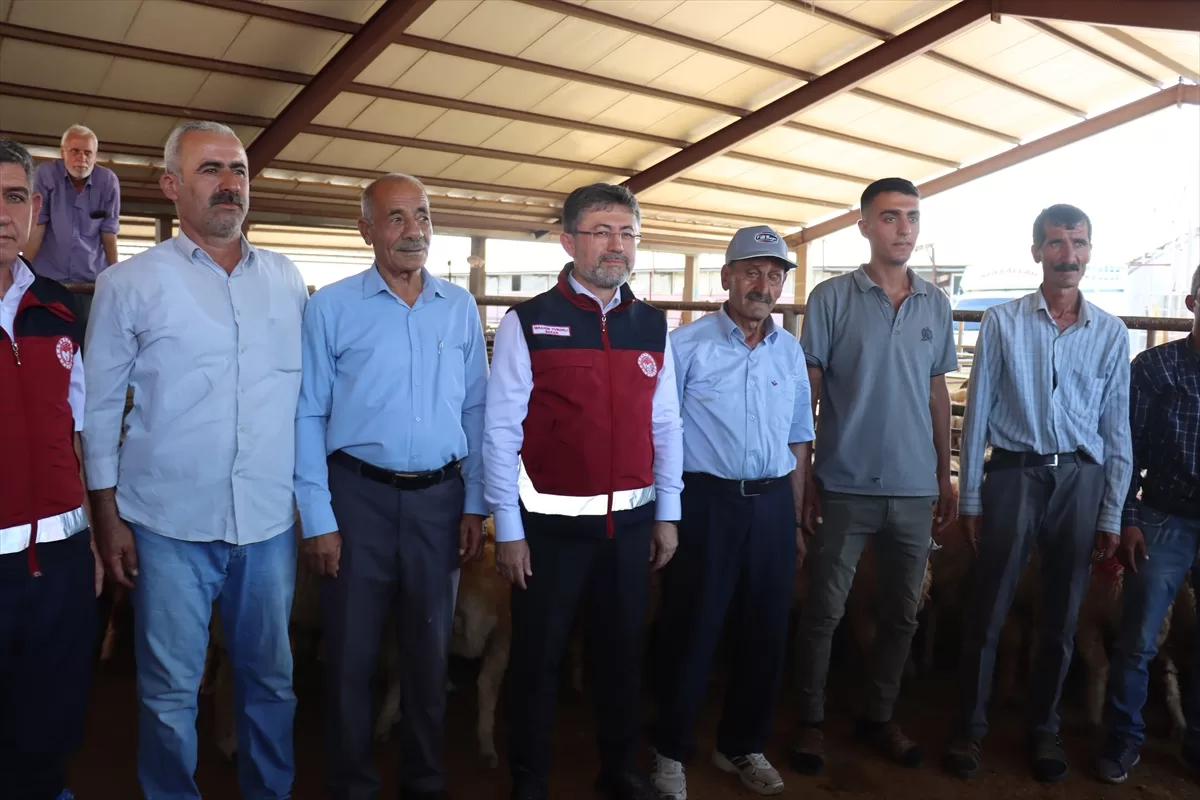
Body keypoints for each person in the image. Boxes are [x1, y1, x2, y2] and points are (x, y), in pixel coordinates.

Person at [82, 121, 308, 800]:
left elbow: (304, 401)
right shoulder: (128, 283)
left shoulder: (287, 279)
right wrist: (107, 518)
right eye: (210, 169)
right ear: (171, 186)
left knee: (271, 681)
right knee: (169, 691)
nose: (229, 183)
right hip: (167, 524)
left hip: (266, 523)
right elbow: (98, 411)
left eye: (238, 170)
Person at [483, 183, 684, 800]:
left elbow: (666, 424)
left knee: (621, 656)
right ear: (568, 241)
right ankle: (530, 778)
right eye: (601, 231)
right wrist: (508, 529)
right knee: (538, 659)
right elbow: (500, 430)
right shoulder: (528, 322)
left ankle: (619, 770)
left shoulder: (652, 324)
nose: (615, 245)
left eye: (626, 232)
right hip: (548, 534)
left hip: (629, 529)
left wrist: (668, 513)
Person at [294, 173, 488, 800]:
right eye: (396, 217)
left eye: (423, 215)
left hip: (440, 501)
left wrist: (475, 502)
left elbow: (476, 410)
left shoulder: (458, 307)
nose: (414, 230)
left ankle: (424, 780)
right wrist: (318, 516)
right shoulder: (331, 308)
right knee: (350, 656)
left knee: (429, 655)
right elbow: (308, 413)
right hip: (358, 500)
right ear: (366, 230)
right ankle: (351, 783)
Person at [945, 204, 1133, 783]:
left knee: (1063, 613)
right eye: (1056, 243)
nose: (1067, 255)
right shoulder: (1002, 322)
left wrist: (1112, 509)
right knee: (990, 605)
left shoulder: (1110, 332)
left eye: (1078, 243)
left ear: (1089, 251)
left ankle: (1044, 728)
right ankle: (968, 728)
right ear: (1037, 252)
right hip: (1014, 473)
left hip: (1080, 477)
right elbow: (977, 412)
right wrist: (971, 496)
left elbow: (1116, 427)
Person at [791, 178, 957, 775]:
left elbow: (938, 392)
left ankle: (879, 715)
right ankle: (810, 721)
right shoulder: (832, 298)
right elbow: (808, 392)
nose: (903, 228)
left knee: (903, 613)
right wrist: (806, 474)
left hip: (914, 489)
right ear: (864, 226)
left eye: (911, 216)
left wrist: (943, 474)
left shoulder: (935, 303)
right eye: (890, 217)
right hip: (845, 483)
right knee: (825, 610)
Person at [649, 225, 815, 799]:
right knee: (691, 627)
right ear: (726, 278)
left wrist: (795, 520)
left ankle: (742, 744)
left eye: (774, 276)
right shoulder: (684, 347)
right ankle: (670, 750)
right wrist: (667, 515)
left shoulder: (789, 350)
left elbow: (799, 439)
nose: (762, 285)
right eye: (751, 272)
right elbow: (662, 435)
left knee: (765, 631)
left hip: (771, 505)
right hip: (707, 503)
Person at [0, 138, 102, 800]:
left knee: (50, 722)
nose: (2, 214)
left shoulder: (58, 306)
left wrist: (87, 539)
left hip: (60, 565)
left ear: (34, 209)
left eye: (14, 197)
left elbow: (75, 434)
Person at [1093, 264, 1200, 784]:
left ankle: (1195, 741)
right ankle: (1124, 737)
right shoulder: (1156, 367)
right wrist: (1129, 517)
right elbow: (1126, 446)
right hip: (1163, 516)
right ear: (1192, 303)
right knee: (1139, 637)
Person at [23, 124, 121, 335]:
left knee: (89, 338)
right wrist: (22, 270)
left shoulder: (108, 181)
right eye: (75, 151)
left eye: (88, 153)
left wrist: (118, 276)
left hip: (92, 281)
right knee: (47, 337)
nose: (81, 158)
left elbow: (109, 233)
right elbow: (38, 226)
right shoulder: (45, 175)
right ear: (63, 152)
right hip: (49, 279)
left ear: (95, 155)